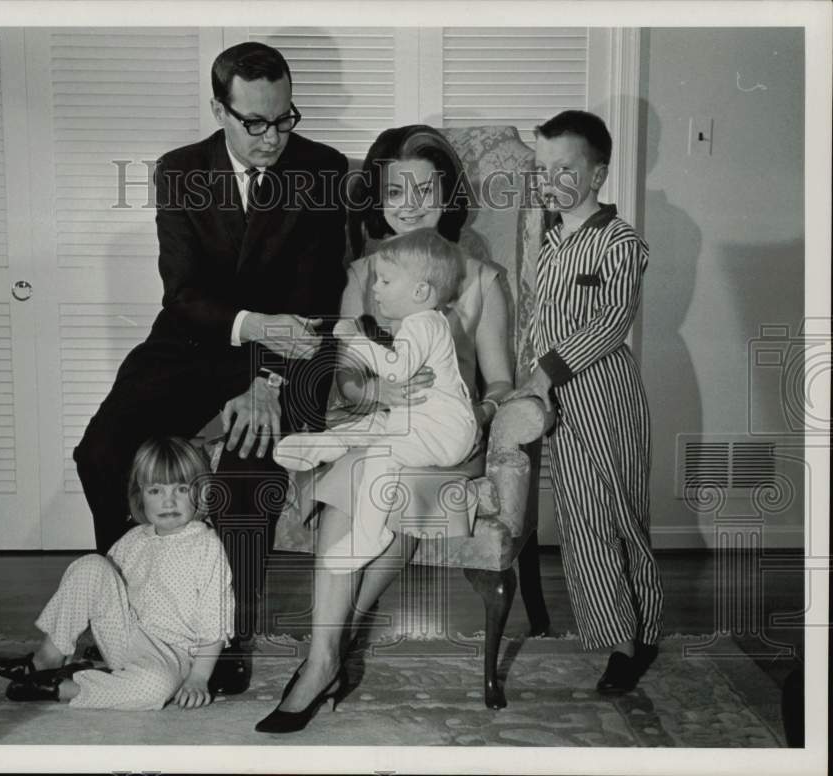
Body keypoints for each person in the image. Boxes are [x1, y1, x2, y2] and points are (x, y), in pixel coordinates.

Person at [72, 42, 348, 695]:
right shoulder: (179, 171)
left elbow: (315, 295)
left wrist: (269, 383)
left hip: (293, 352)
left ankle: (224, 635)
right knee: (102, 450)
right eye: (255, 122)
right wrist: (248, 328)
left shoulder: (324, 169)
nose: (272, 137)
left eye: (285, 118)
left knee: (249, 467)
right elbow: (184, 292)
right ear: (219, 109)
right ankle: (134, 607)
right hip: (196, 341)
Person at [258, 124, 541, 733]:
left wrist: (478, 416)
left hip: (445, 436)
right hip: (377, 422)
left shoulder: (482, 278)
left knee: (390, 483)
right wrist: (373, 389)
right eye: (394, 189)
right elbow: (346, 373)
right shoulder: (366, 272)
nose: (409, 201)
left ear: (447, 193)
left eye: (423, 187)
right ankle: (325, 657)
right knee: (363, 477)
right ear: (378, 199)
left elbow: (498, 379)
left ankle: (326, 652)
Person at [507, 110, 663, 693]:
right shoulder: (549, 238)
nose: (549, 178)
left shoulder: (621, 241)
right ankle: (620, 640)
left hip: (605, 394)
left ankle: (643, 631)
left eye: (564, 168)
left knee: (622, 514)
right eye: (542, 167)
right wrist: (526, 379)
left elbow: (612, 320)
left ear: (597, 174)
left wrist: (545, 373)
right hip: (553, 401)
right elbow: (537, 318)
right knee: (581, 520)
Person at [274, 228, 478, 568]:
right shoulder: (424, 322)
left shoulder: (422, 325)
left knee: (382, 456)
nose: (374, 289)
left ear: (420, 291)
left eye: (385, 281)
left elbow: (395, 371)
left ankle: (370, 535)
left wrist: (355, 341)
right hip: (423, 423)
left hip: (444, 432)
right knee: (374, 422)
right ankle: (324, 445)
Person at [0, 437, 234, 710]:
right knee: (92, 565)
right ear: (140, 495)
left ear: (202, 492)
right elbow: (97, 589)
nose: (168, 501)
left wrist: (198, 677)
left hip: (173, 657)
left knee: (155, 688)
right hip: (124, 638)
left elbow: (214, 622)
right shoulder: (134, 539)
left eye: (181, 489)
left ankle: (67, 687)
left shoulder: (207, 546)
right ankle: (45, 659)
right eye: (155, 491)